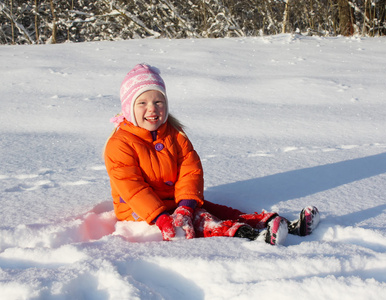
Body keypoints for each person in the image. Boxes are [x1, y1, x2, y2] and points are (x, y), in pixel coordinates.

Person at [104, 63, 319, 245]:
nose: (152, 109)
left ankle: (279, 224)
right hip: (143, 214)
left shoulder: (174, 134)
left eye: (158, 102)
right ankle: (252, 236)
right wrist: (161, 217)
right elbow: (132, 188)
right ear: (129, 108)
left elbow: (190, 169)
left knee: (218, 210)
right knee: (203, 219)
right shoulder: (120, 144)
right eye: (142, 103)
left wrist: (187, 204)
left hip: (176, 203)